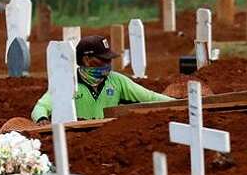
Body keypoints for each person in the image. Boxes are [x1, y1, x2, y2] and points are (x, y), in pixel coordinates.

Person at [31, 35, 173, 123]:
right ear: (86, 60)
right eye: (103, 60)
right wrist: (42, 118)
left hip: (107, 143)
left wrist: (181, 103)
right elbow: (41, 106)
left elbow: (150, 97)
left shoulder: (117, 81)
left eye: (109, 60)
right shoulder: (67, 82)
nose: (108, 64)